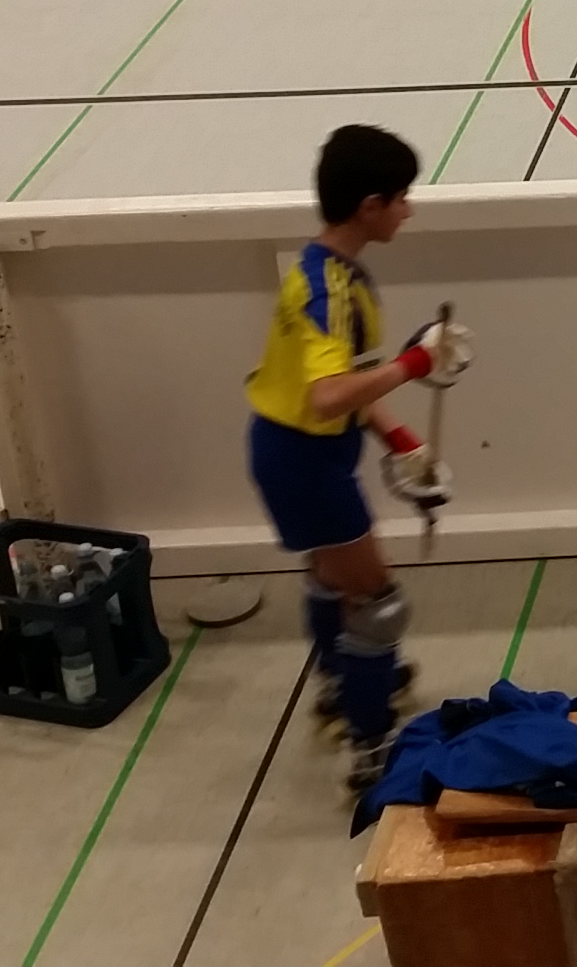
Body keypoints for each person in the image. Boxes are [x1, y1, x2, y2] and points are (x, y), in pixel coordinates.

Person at [243, 124, 471, 794]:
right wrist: (414, 364)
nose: (408, 210)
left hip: (294, 453)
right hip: (306, 462)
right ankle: (372, 744)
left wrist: (399, 438)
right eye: (400, 198)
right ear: (370, 206)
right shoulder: (330, 293)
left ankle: (339, 685)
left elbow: (345, 383)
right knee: (376, 604)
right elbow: (327, 396)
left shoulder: (326, 270)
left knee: (331, 582)